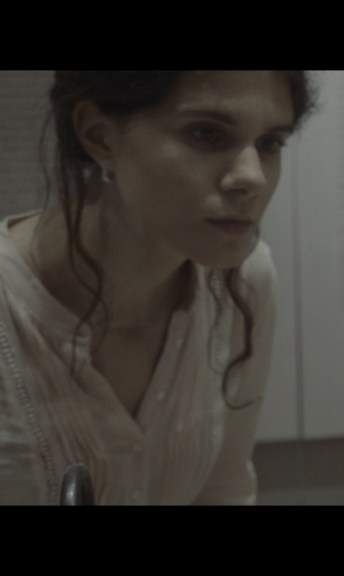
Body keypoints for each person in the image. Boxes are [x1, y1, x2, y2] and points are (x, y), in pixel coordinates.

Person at [0, 71, 316, 505]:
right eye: (206, 133)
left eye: (270, 143)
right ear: (99, 136)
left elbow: (224, 489)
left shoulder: (245, 281)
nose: (253, 177)